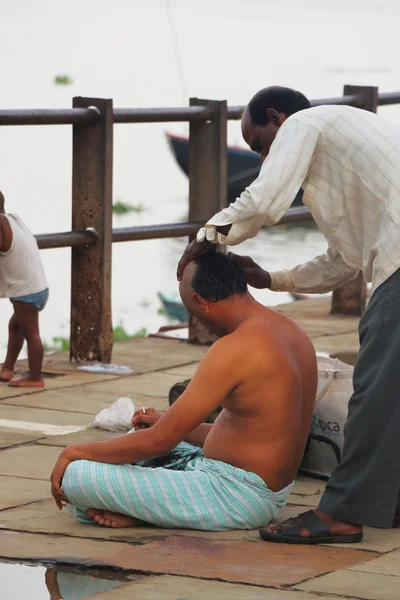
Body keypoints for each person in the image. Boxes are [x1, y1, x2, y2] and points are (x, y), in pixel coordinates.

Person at [177, 84, 400, 544]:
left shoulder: (304, 123)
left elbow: (265, 200)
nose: (261, 159)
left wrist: (209, 235)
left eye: (259, 144)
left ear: (277, 119)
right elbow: (343, 259)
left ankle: (341, 513)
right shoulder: (342, 145)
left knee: (374, 390)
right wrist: (273, 280)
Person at [50, 251, 317, 531]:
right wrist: (166, 423)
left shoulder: (234, 348)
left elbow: (160, 442)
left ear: (201, 302)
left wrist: (73, 451)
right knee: (137, 435)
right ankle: (144, 508)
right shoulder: (294, 333)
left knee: (75, 477)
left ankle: (143, 511)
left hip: (236, 494)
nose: (198, 321)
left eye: (193, 313)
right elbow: (252, 431)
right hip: (265, 487)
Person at [0, 191, 49, 388]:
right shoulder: (13, 219)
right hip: (38, 286)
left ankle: (36, 378)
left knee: (31, 333)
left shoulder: (0, 224)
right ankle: (7, 369)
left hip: (26, 291)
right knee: (16, 326)